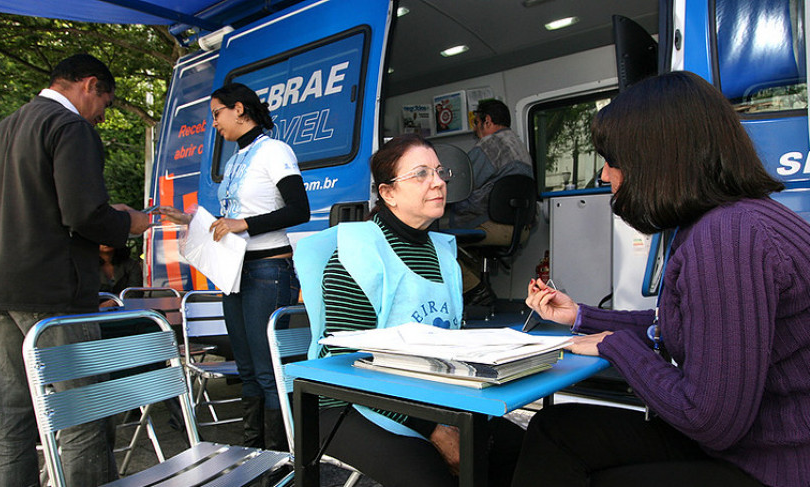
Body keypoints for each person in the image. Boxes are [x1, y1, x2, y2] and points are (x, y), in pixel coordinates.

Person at [512, 71, 810, 487]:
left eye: (612, 160)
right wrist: (581, 316)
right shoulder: (739, 218)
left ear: (654, 162)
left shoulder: (726, 239)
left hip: (766, 466)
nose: (603, 176)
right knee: (556, 429)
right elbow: (687, 322)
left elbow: (707, 419)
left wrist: (617, 346)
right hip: (753, 447)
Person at [294, 134, 523, 487]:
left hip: (422, 393)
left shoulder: (444, 253)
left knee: (516, 449)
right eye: (420, 174)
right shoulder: (358, 255)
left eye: (438, 171)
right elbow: (345, 366)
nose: (438, 182)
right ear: (388, 193)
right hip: (345, 401)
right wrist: (432, 429)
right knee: (430, 474)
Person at [0, 53, 150, 486]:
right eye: (104, 104)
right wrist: (129, 221)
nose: (102, 117)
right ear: (90, 85)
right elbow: (83, 213)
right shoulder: (70, 126)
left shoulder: (7, 127)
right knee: (82, 416)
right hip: (52, 289)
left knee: (14, 419)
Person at [158, 82, 309, 451]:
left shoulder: (275, 150)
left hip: (268, 272)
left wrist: (244, 224)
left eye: (216, 114)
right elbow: (232, 220)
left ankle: (279, 460)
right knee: (246, 371)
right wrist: (189, 219)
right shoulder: (234, 159)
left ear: (239, 108)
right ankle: (253, 452)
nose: (214, 124)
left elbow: (298, 210)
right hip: (235, 272)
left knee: (267, 372)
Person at [451, 99, 534, 306]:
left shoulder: (489, 146)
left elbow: (462, 185)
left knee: (433, 239)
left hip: (490, 224)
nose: (476, 132)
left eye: (477, 125)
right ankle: (478, 296)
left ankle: (474, 289)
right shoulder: (520, 147)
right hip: (520, 226)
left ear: (487, 121)